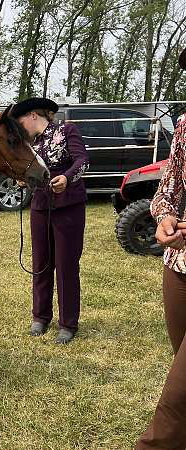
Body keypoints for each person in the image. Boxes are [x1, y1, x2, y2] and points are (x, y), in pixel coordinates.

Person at [135, 48, 186, 450]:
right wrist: (164, 217)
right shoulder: (185, 126)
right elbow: (168, 189)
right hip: (179, 266)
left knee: (176, 398)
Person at [11, 98, 89, 344]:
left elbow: (82, 161)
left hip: (69, 207)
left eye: (21, 122)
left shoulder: (67, 130)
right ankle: (40, 316)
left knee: (66, 266)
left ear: (33, 115)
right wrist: (22, 180)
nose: (20, 128)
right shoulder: (31, 144)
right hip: (40, 207)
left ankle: (68, 323)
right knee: (41, 264)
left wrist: (66, 177)